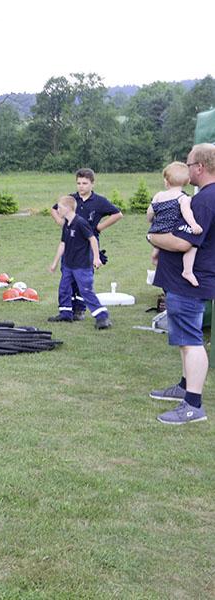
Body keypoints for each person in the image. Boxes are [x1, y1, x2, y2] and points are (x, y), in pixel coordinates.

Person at [147, 143, 215, 425]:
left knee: (191, 341)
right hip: (185, 282)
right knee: (186, 339)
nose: (186, 170)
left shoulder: (204, 200)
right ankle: (184, 386)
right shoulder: (201, 197)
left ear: (199, 166)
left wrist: (151, 238)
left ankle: (193, 405)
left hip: (191, 283)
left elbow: (182, 240)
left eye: (188, 164)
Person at [50, 168, 122, 319]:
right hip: (70, 244)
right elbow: (54, 209)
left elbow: (117, 214)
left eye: (84, 183)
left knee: (82, 279)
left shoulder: (99, 201)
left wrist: (100, 227)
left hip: (88, 245)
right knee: (67, 277)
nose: (81, 186)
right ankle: (67, 310)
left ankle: (80, 309)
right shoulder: (70, 199)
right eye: (78, 183)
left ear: (92, 184)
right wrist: (60, 221)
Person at [46, 195, 111, 329]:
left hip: (82, 266)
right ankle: (65, 314)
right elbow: (63, 244)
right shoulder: (66, 224)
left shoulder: (80, 223)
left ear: (68, 208)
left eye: (60, 207)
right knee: (64, 288)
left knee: (86, 291)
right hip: (68, 265)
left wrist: (96, 257)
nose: (57, 210)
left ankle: (102, 317)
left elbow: (92, 239)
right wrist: (54, 263)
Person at [147, 161, 203, 287]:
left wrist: (151, 221)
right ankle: (187, 271)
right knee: (193, 243)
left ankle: (155, 257)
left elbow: (150, 213)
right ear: (188, 181)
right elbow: (187, 212)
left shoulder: (159, 195)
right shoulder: (183, 198)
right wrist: (194, 225)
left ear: (166, 181)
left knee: (159, 245)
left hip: (155, 230)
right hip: (171, 230)